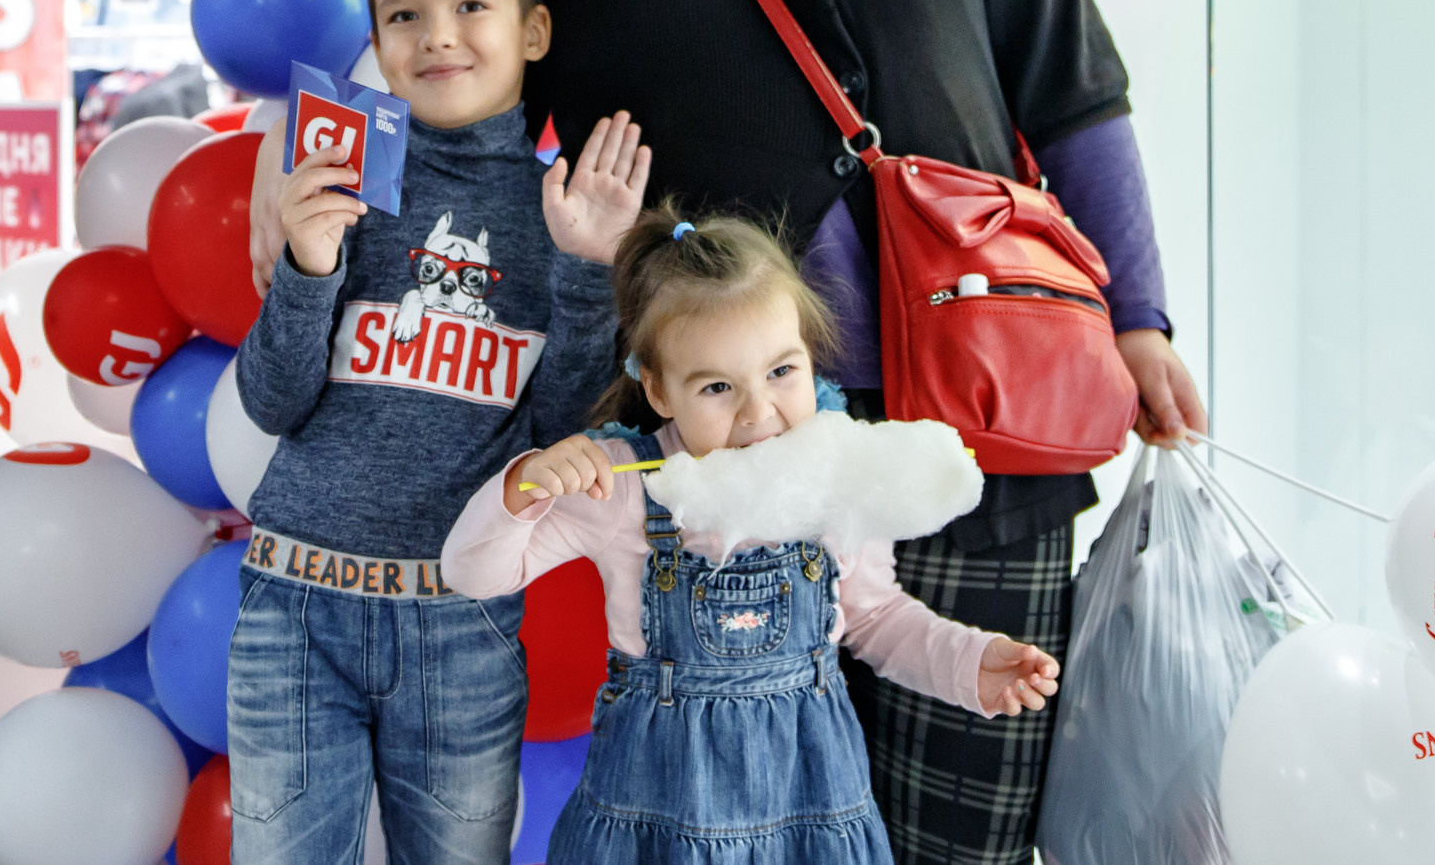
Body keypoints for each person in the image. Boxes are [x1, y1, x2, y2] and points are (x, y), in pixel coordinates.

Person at [482, 0, 1199, 861]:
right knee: (755, 829)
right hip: (729, 449)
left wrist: (1142, 314)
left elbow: (1069, 77)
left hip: (988, 406)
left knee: (967, 823)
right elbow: (475, 117)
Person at [229, 0, 648, 864]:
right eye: (404, 14)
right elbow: (268, 403)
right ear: (375, 36)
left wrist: (589, 272)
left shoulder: (564, 207)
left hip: (460, 630)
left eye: (471, 5)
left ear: (533, 29)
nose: (438, 37)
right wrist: (307, 265)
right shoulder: (334, 178)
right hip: (293, 611)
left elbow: (559, 432)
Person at [443, 210, 1061, 864]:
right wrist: (522, 488)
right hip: (655, 824)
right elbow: (471, 574)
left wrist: (970, 662)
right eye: (716, 386)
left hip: (811, 815)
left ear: (808, 355)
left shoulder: (836, 478)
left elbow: (876, 617)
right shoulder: (621, 484)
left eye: (781, 371)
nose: (758, 411)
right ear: (657, 387)